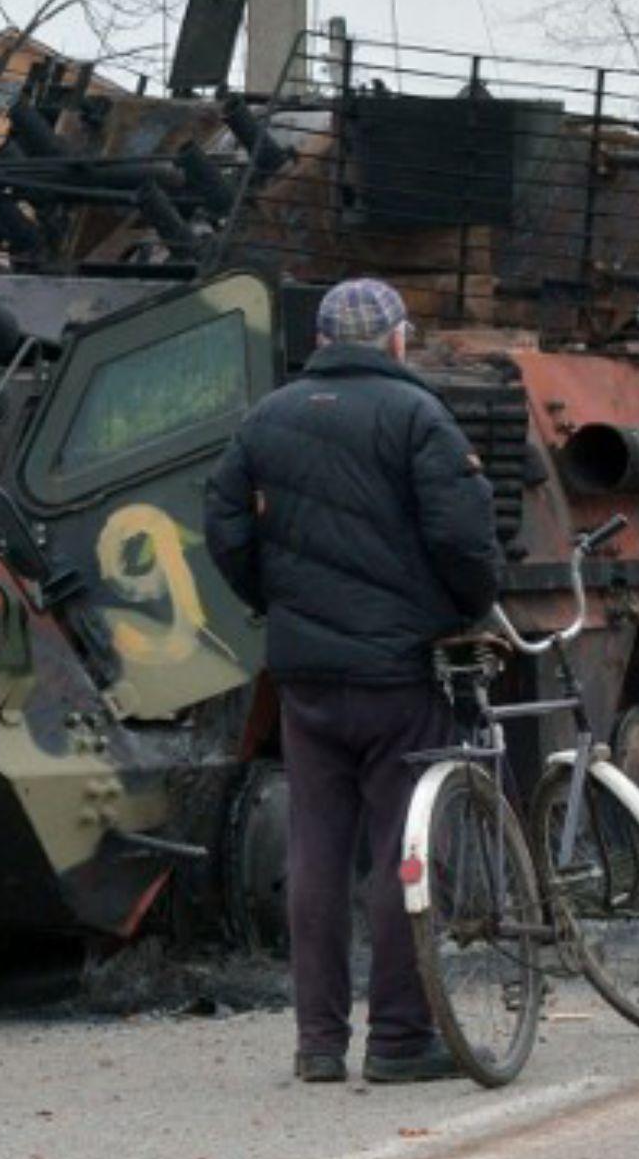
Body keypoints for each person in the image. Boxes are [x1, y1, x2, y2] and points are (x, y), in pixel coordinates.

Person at [204, 277, 503, 1086]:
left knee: (316, 850)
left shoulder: (266, 418)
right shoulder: (418, 418)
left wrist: (275, 599)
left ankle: (319, 1042)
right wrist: (464, 607)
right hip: (399, 671)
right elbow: (463, 537)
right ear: (398, 340)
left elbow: (223, 527)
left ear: (324, 341)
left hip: (305, 673)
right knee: (403, 849)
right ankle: (401, 1039)